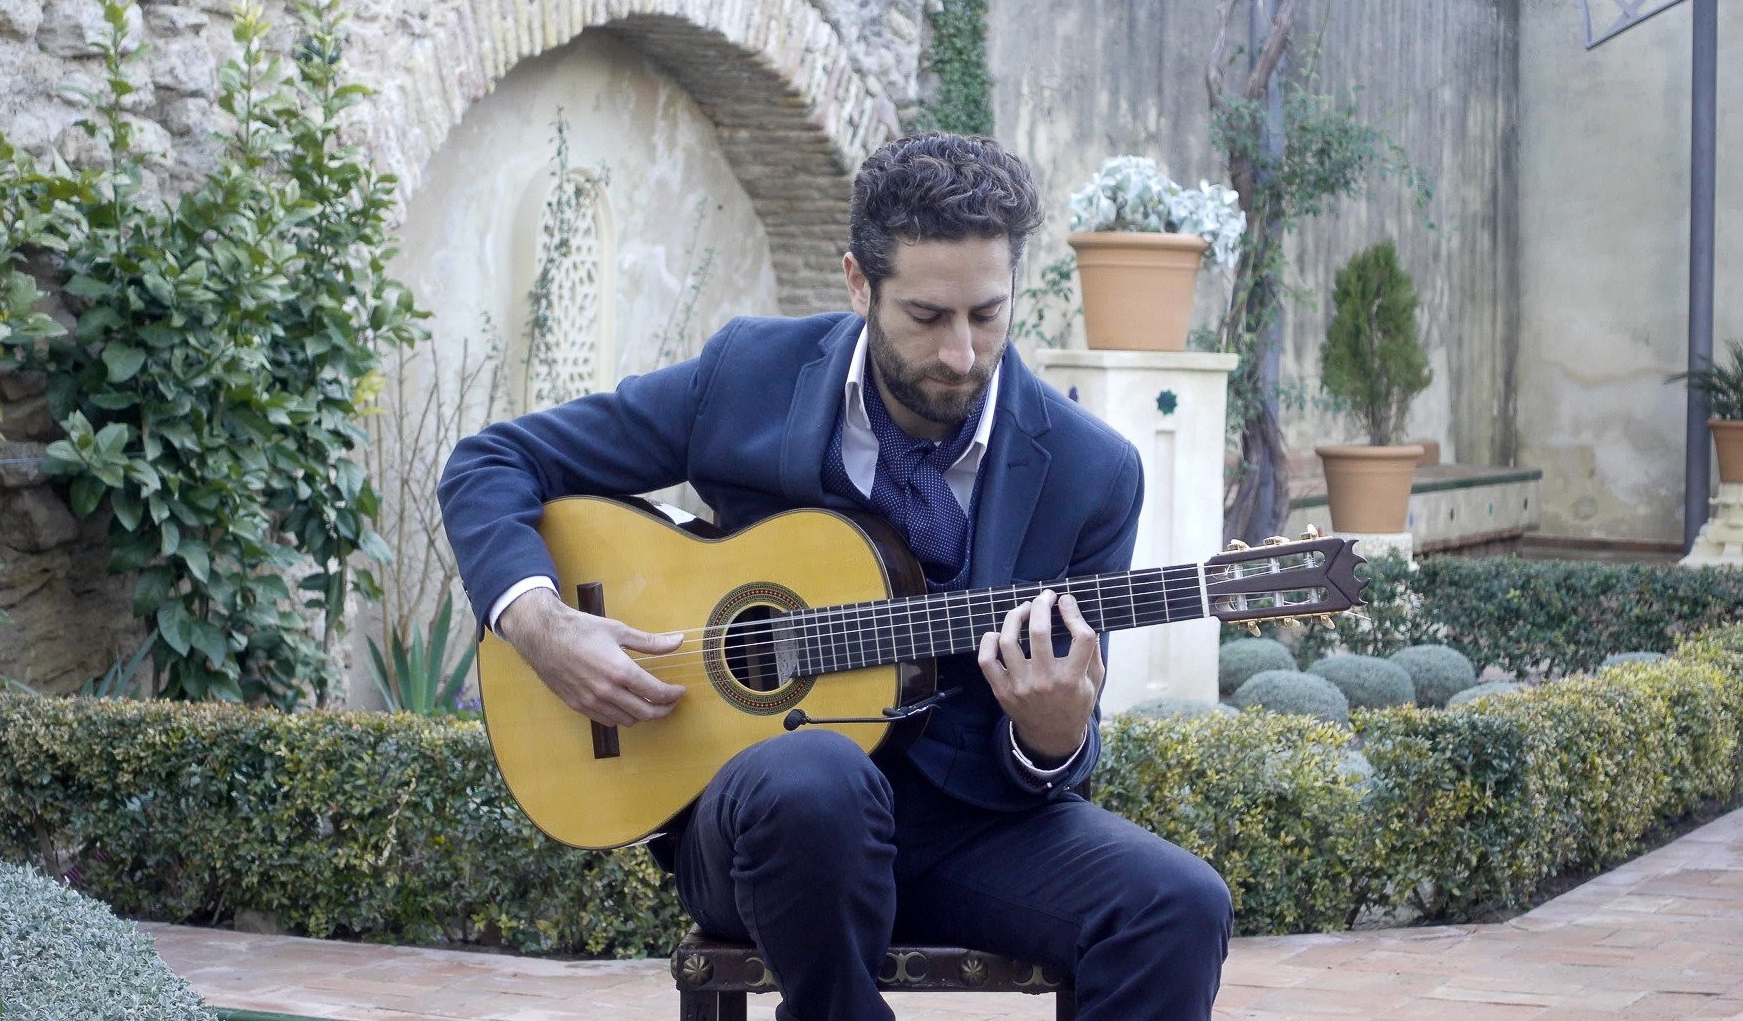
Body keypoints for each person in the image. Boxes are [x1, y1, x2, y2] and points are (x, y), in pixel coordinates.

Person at [439, 132, 1232, 1020]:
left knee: (1178, 905)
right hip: (763, 828)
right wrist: (542, 623)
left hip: (970, 832)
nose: (962, 354)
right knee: (816, 778)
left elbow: (1063, 742)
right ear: (860, 284)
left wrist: (1051, 737)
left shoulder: (1092, 473)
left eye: (987, 314)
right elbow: (491, 462)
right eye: (927, 317)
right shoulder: (750, 375)